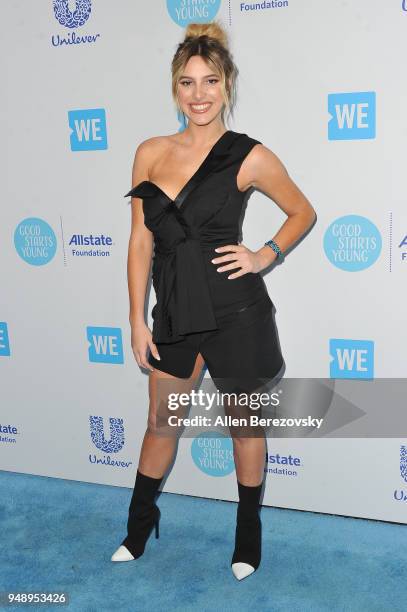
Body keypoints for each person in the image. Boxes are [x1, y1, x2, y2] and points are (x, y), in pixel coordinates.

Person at [111, 20, 316, 581]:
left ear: (227, 85)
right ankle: (137, 525)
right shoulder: (149, 152)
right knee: (160, 423)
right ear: (174, 89)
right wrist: (135, 318)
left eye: (210, 82)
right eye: (187, 82)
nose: (199, 94)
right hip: (175, 311)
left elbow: (303, 212)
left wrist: (265, 254)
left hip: (236, 312)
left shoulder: (248, 155)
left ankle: (247, 535)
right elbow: (140, 239)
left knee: (246, 429)